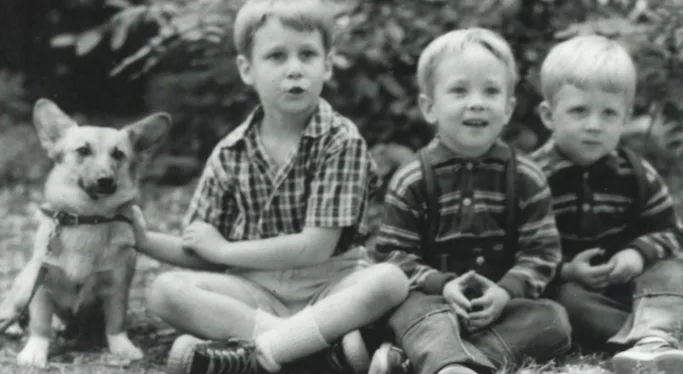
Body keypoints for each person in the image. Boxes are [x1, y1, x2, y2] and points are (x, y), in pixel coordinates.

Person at [130, 1, 409, 373]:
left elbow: (315, 246)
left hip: (330, 283)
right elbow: (202, 249)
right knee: (166, 291)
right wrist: (144, 239)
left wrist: (226, 249)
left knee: (389, 281)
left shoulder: (341, 140)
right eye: (276, 56)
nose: (294, 69)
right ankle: (308, 349)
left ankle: (261, 353)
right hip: (257, 292)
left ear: (326, 64)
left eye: (307, 54)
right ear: (248, 69)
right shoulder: (231, 152)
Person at [367, 28, 572, 374]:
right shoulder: (412, 178)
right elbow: (392, 257)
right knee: (409, 311)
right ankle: (442, 355)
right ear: (429, 107)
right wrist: (442, 285)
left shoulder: (526, 177)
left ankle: (448, 361)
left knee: (554, 320)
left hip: (498, 308)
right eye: (459, 90)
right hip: (432, 302)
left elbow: (543, 252)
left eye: (490, 91)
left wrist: (506, 292)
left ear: (507, 109)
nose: (476, 102)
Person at [530, 34, 683, 374]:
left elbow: (669, 232)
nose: (594, 126)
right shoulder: (532, 178)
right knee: (565, 302)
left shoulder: (635, 173)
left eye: (609, 113)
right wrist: (566, 270)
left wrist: (638, 253)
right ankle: (646, 340)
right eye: (579, 110)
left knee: (670, 272)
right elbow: (515, 249)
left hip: (633, 283)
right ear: (548, 115)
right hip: (574, 288)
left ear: (626, 117)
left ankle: (653, 338)